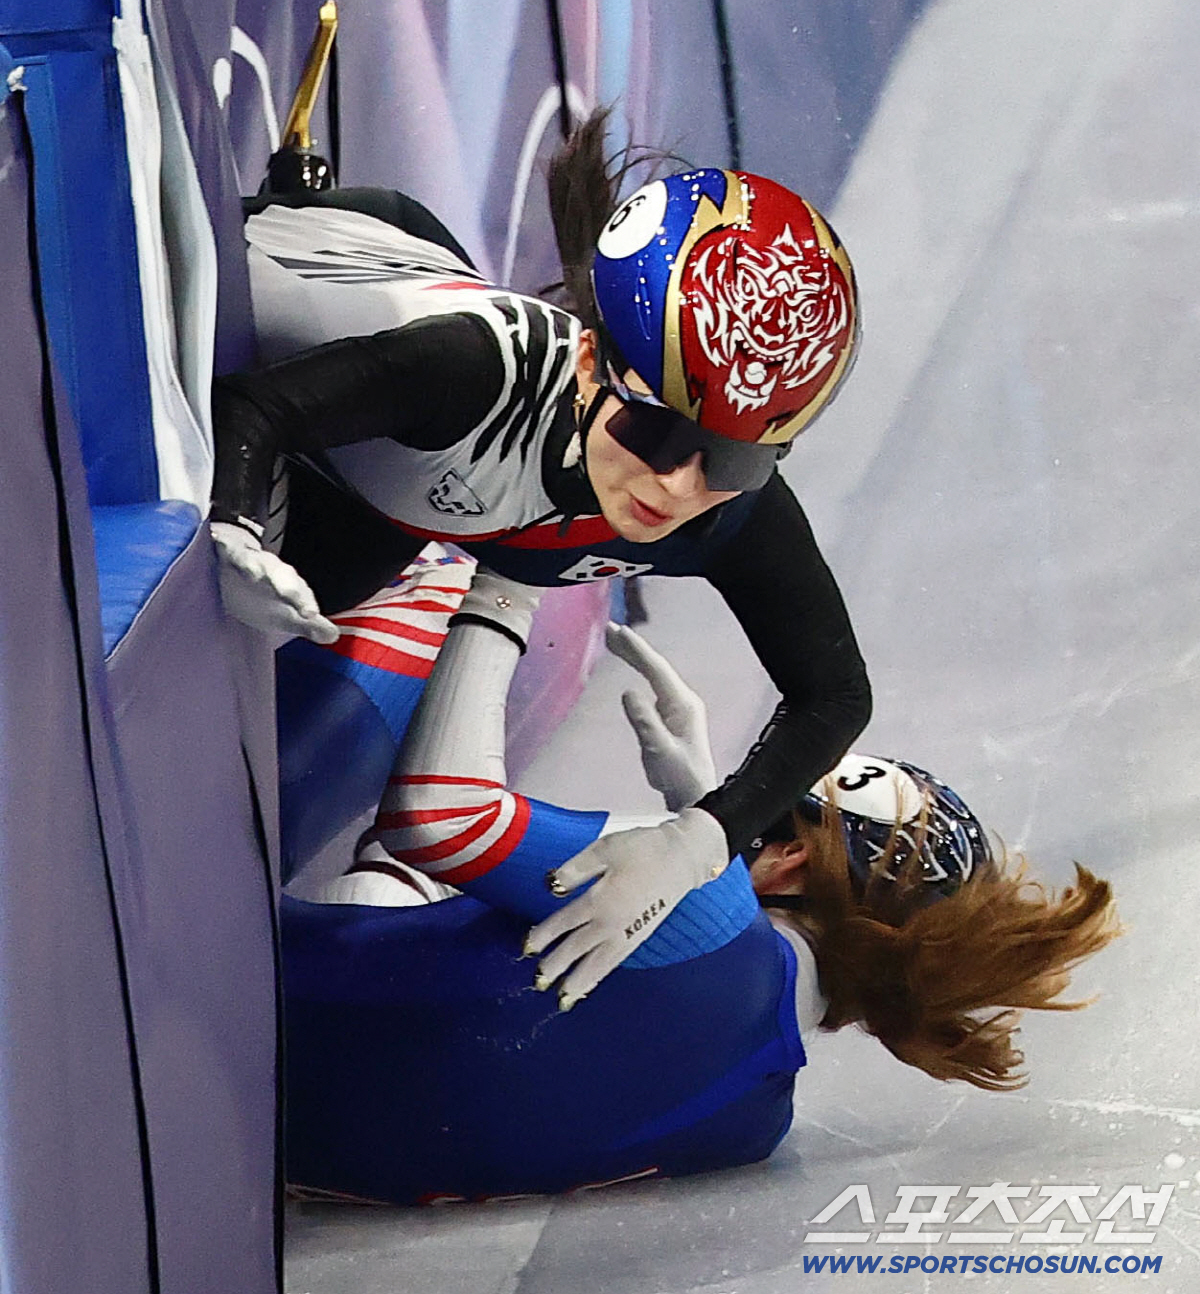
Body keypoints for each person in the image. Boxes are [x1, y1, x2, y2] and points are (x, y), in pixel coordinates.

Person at [211, 113, 871, 995]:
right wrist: (232, 523)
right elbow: (254, 410)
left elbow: (836, 692)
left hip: (385, 498)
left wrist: (698, 837)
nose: (677, 485)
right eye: (655, 430)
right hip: (262, 325)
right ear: (592, 362)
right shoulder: (473, 375)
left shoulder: (728, 514)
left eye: (734, 458)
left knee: (344, 571)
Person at [279, 563, 1119, 1204]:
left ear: (788, 861)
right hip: (285, 1153)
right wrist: (698, 802)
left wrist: (509, 577)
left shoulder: (699, 901)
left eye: (774, 804)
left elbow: (437, 817)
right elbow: (659, 1008)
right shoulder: (758, 1122)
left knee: (447, 602)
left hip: (242, 1001)